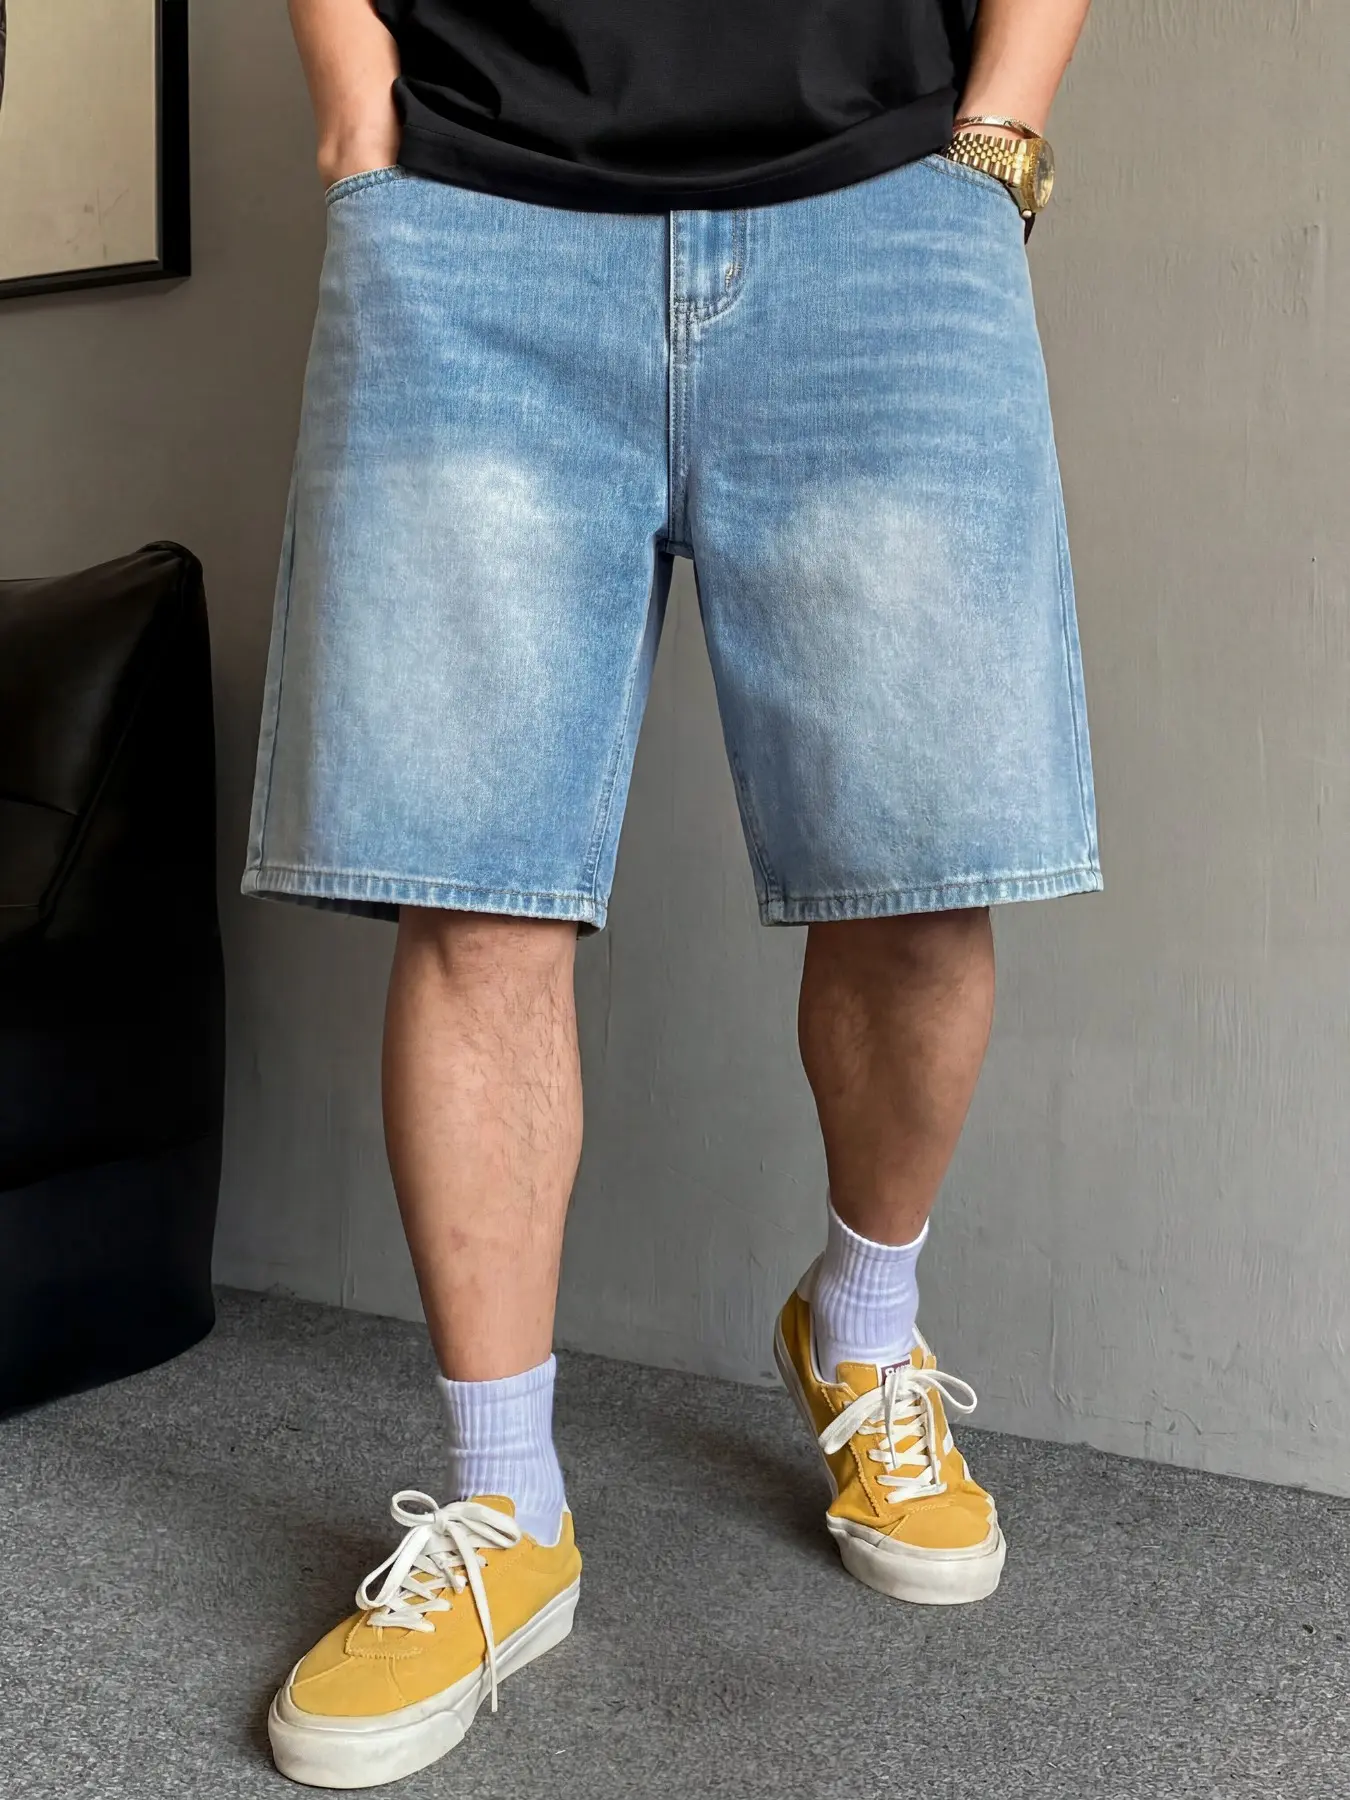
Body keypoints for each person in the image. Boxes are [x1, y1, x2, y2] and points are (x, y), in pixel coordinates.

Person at [246, 0, 1099, 1785]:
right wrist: (351, 100)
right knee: (471, 891)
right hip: (473, 212)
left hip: (886, 211)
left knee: (921, 871)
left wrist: (999, 135)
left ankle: (861, 1332)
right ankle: (503, 1513)